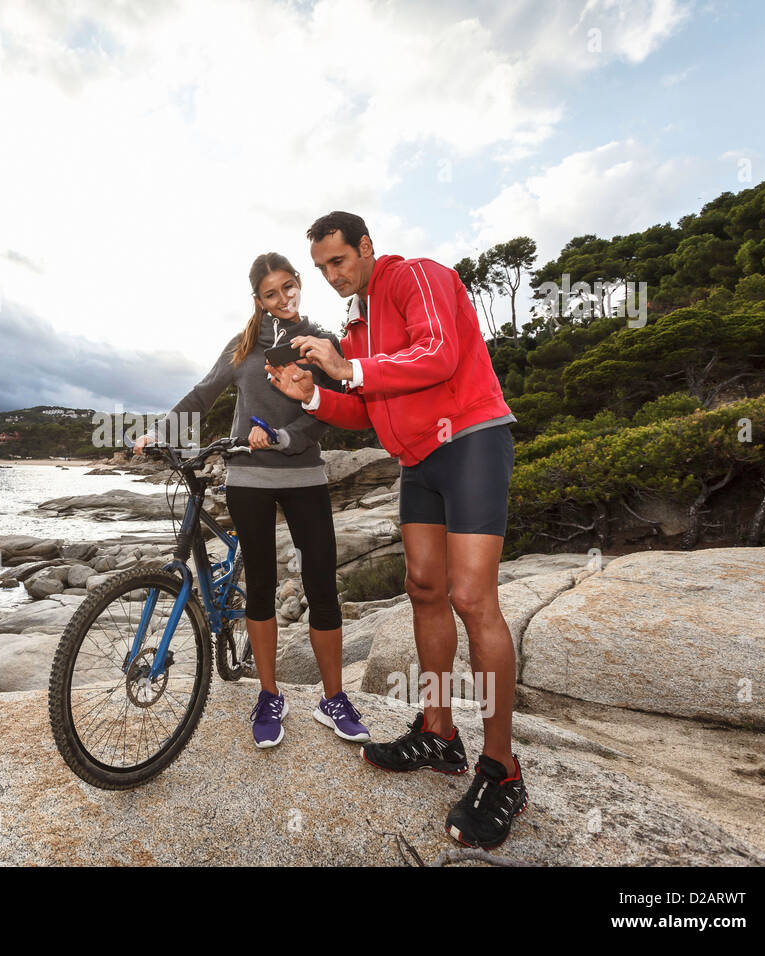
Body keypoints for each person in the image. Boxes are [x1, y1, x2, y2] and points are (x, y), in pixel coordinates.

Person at [266, 211, 526, 849]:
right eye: (323, 268)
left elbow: (437, 355)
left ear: (365, 247)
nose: (332, 276)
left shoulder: (418, 278)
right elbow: (364, 404)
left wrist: (347, 367)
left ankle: (503, 770)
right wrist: (312, 394)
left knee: (472, 598)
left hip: (468, 439)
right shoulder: (356, 325)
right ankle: (439, 733)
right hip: (416, 461)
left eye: (339, 261)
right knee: (424, 589)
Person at [135, 252, 371, 750]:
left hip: (305, 474)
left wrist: (284, 436)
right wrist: (159, 430)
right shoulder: (242, 347)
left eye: (290, 287)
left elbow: (325, 414)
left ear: (299, 284)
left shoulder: (318, 342)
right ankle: (269, 695)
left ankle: (334, 698)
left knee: (320, 584)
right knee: (261, 586)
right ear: (257, 300)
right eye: (271, 293)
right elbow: (203, 395)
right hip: (248, 478)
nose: (283, 299)